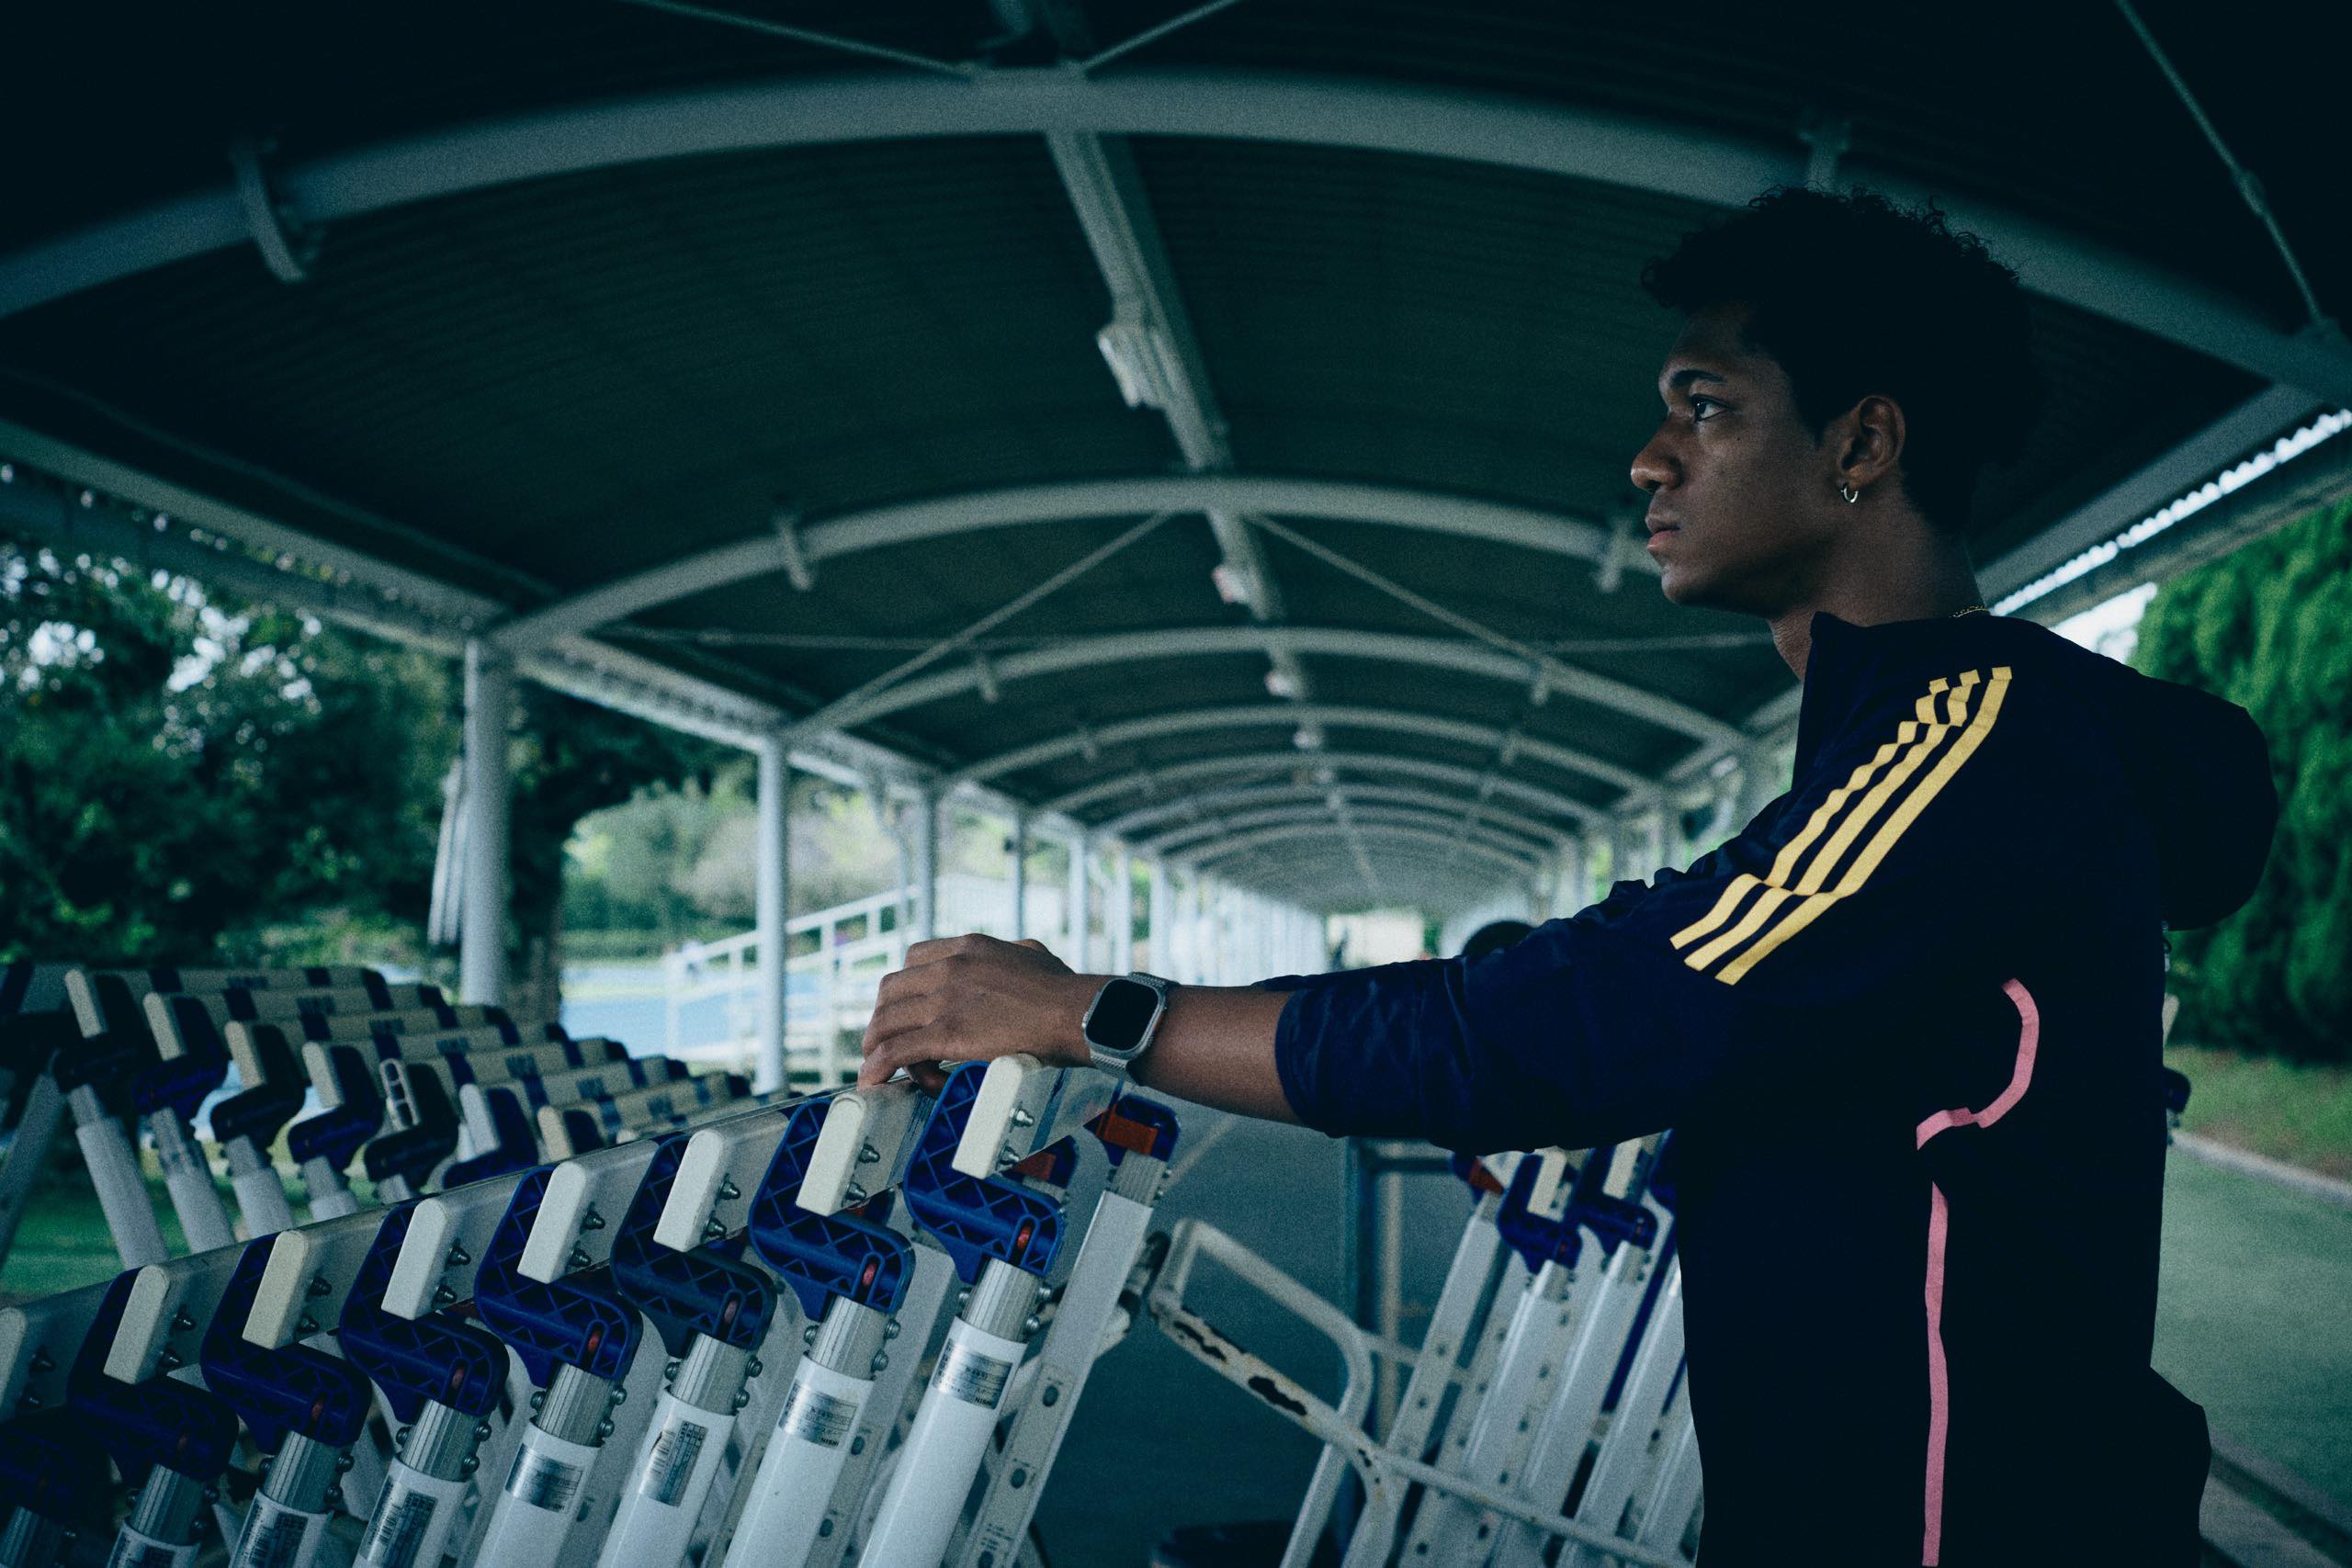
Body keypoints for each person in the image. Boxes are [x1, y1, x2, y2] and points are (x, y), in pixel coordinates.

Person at [859, 188, 2277, 1565]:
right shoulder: (1909, 759)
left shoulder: (1972, 747)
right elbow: (1641, 999)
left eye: (1706, 406)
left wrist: (1105, 1016)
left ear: (1863, 441)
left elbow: (1579, 1020)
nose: (1652, 459)